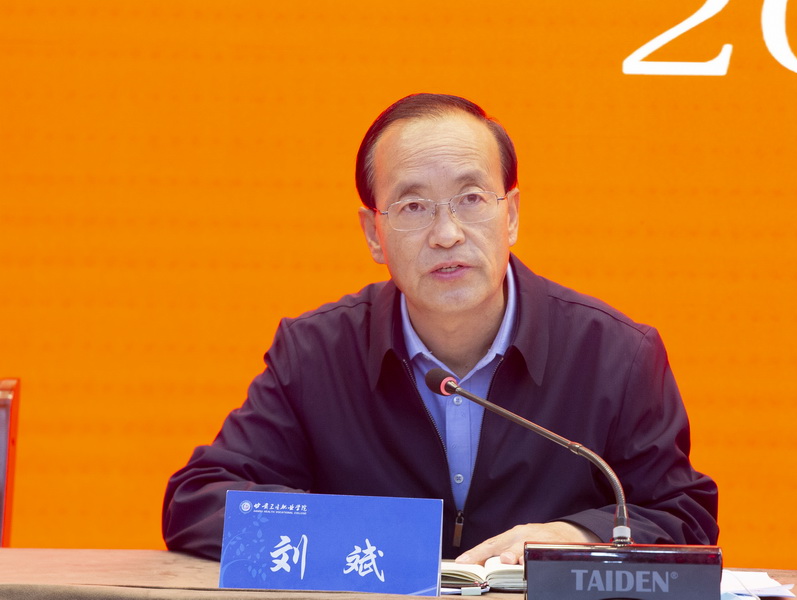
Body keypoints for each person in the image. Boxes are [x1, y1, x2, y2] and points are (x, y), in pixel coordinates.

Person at [162, 93, 718, 565]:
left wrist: (578, 537)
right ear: (373, 234)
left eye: (471, 199)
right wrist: (374, 541)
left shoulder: (616, 356)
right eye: (413, 206)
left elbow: (685, 517)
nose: (447, 233)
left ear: (511, 215)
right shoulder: (315, 354)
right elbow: (198, 503)